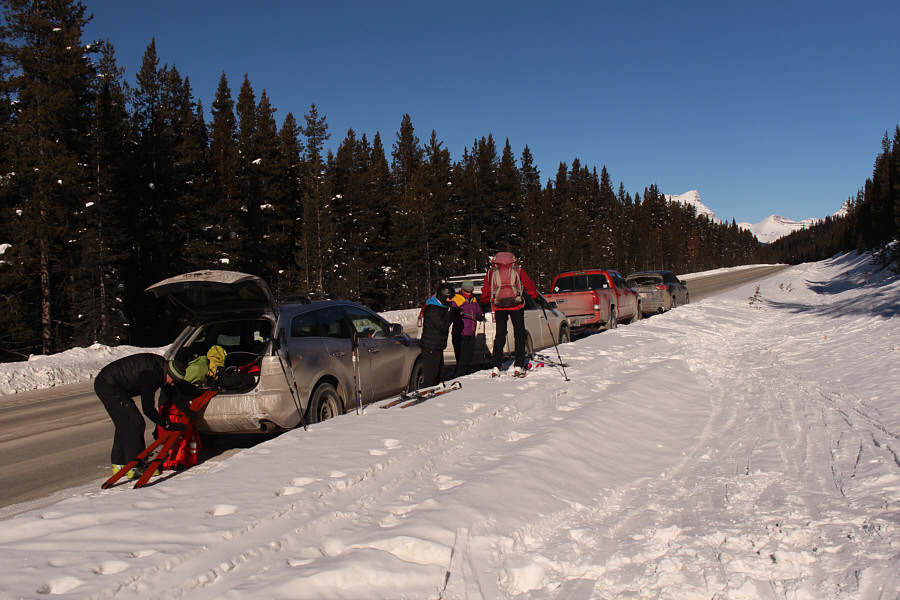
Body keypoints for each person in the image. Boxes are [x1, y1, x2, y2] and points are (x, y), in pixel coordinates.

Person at [94, 353, 194, 479]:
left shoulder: (161, 369)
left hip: (109, 382)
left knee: (124, 423)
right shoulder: (151, 376)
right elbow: (148, 408)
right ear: (168, 374)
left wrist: (187, 411)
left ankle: (119, 464)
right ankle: (136, 466)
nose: (173, 384)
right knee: (136, 423)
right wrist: (167, 425)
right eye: (173, 381)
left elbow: (171, 393)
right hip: (108, 384)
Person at [482, 252, 549, 377]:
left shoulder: (492, 271)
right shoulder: (517, 269)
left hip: (499, 306)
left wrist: (484, 302)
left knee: (500, 335)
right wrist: (536, 297)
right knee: (519, 334)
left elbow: (486, 289)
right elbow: (528, 285)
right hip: (516, 305)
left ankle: (496, 366)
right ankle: (519, 364)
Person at [420, 282, 460, 387]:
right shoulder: (433, 309)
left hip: (437, 345)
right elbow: (442, 326)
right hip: (430, 346)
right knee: (431, 375)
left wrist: (456, 313)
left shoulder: (442, 307)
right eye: (449, 298)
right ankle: (426, 390)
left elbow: (448, 317)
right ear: (443, 296)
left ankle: (439, 387)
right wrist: (450, 314)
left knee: (440, 375)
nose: (451, 300)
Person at [451, 280, 484, 376]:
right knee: (462, 360)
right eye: (467, 291)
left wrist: (479, 316)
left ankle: (466, 378)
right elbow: (451, 315)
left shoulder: (474, 300)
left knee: (469, 360)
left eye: (471, 291)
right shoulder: (456, 299)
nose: (469, 293)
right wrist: (457, 313)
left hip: (471, 334)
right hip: (460, 334)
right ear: (462, 290)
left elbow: (478, 311)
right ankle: (459, 377)